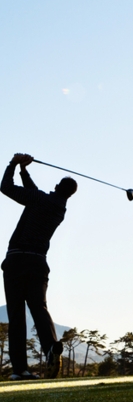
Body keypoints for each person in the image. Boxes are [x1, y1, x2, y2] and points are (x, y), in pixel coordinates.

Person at [1, 153, 77, 380]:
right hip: (38, 262)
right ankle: (51, 348)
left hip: (16, 260)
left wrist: (13, 163)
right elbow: (33, 192)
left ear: (55, 186)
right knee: (39, 308)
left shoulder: (40, 199)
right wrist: (24, 171)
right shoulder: (59, 208)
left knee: (16, 314)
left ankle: (20, 370)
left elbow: (5, 187)